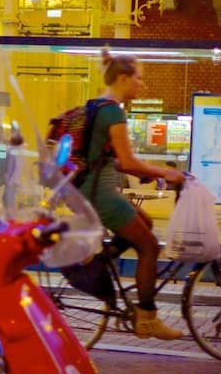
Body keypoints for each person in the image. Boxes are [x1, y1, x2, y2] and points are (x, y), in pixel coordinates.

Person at [77, 49, 186, 341]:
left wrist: (149, 171)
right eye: (138, 78)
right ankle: (147, 319)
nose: (142, 84)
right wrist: (166, 173)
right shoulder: (113, 111)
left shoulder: (96, 105)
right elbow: (127, 162)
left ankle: (97, 264)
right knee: (149, 247)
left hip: (91, 189)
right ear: (123, 78)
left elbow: (108, 159)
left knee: (146, 223)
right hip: (99, 194)